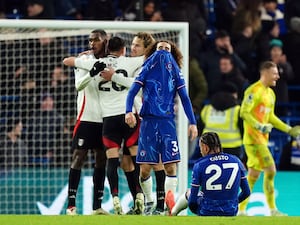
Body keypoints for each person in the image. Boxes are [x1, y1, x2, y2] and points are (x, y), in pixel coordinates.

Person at [70, 36, 145, 215]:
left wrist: (81, 58)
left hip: (109, 119)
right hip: (129, 116)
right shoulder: (129, 61)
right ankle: (140, 195)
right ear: (123, 50)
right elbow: (146, 62)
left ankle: (115, 196)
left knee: (112, 159)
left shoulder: (98, 63)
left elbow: (68, 61)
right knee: (133, 159)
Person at [125, 40, 198, 216]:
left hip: (167, 124)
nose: (163, 51)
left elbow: (185, 99)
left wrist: (193, 122)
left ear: (172, 54)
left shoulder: (176, 73)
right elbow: (131, 92)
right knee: (144, 169)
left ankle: (168, 207)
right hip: (148, 122)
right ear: (153, 52)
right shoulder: (145, 70)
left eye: (167, 49)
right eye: (160, 48)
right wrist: (128, 111)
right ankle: (149, 202)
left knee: (171, 167)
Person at [238, 61, 300, 216]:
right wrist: (258, 126)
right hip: (253, 139)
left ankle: (240, 209)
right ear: (264, 73)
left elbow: (270, 117)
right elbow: (244, 112)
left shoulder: (270, 94)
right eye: (274, 73)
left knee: (253, 176)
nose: (278, 76)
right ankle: (272, 210)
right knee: (271, 170)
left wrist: (289, 129)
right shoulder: (253, 90)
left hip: (262, 139)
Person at [63, 29, 109, 216]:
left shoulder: (112, 61)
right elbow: (78, 85)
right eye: (90, 40)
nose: (92, 43)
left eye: (96, 40)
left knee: (101, 159)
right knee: (78, 157)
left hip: (105, 118)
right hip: (86, 118)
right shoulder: (84, 61)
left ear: (105, 40)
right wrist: (91, 72)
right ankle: (71, 206)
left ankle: (97, 206)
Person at [170, 132, 250, 216]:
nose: (200, 151)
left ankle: (173, 213)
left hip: (207, 210)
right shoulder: (236, 161)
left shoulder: (200, 164)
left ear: (205, 147)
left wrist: (198, 211)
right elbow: (246, 192)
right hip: (231, 211)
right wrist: (233, 203)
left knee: (189, 192)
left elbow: (192, 201)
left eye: (200, 147)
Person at [200, 82, 245, 162]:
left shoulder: (207, 108)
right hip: (232, 147)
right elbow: (243, 129)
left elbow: (200, 126)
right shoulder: (237, 110)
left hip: (209, 146)